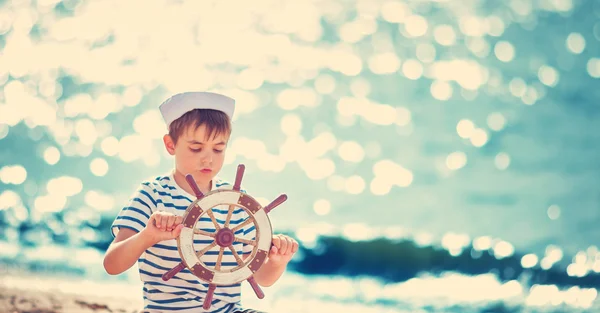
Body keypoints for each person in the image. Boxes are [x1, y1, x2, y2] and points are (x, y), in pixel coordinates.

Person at [103, 91, 299, 313]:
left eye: (218, 148)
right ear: (170, 145)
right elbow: (112, 264)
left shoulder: (236, 201)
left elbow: (260, 277)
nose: (208, 158)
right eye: (196, 148)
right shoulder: (152, 194)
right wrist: (148, 236)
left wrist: (276, 261)